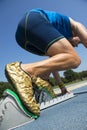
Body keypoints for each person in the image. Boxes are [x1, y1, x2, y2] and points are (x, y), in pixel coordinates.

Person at [5, 8, 87, 116]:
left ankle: (35, 81)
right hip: (32, 20)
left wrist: (62, 87)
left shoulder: (54, 36)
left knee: (50, 69)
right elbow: (83, 36)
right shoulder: (75, 27)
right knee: (75, 59)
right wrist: (83, 39)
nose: (76, 45)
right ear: (77, 36)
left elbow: (53, 65)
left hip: (22, 39)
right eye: (78, 43)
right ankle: (24, 70)